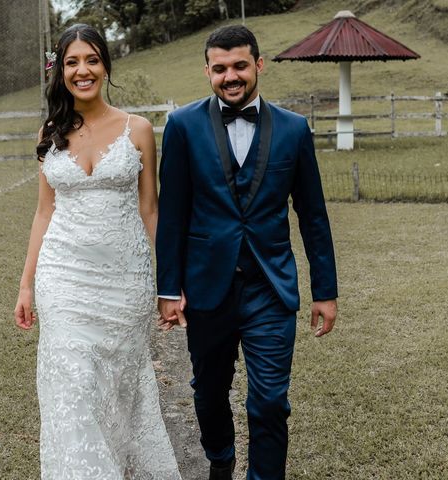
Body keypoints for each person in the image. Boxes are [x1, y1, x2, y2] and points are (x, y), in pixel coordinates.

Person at [156, 25, 338, 480]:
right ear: (208, 72)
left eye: (239, 65)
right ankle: (220, 459)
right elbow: (173, 214)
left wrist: (325, 291)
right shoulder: (182, 126)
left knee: (271, 400)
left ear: (258, 64)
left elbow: (313, 215)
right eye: (220, 69)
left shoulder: (294, 130)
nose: (230, 76)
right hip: (206, 287)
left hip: (269, 288)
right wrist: (168, 287)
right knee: (208, 393)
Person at [14, 24, 181, 480]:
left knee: (118, 392)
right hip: (62, 278)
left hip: (125, 283)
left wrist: (171, 284)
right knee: (74, 387)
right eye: (72, 62)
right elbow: (43, 213)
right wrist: (26, 284)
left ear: (105, 65)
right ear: (60, 71)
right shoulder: (50, 131)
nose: (82, 70)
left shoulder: (139, 129)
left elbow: (151, 212)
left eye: (91, 60)